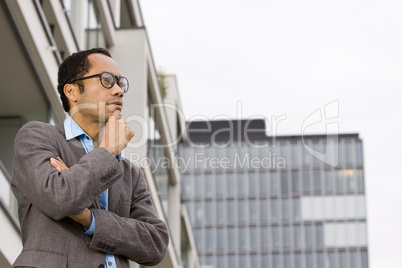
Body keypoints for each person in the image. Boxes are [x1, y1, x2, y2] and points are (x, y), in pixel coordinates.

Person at [11, 48, 169, 268]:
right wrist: (106, 152)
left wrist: (89, 219)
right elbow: (59, 198)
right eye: (106, 80)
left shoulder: (131, 174)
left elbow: (155, 243)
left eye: (120, 83)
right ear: (72, 91)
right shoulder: (37, 137)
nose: (118, 91)